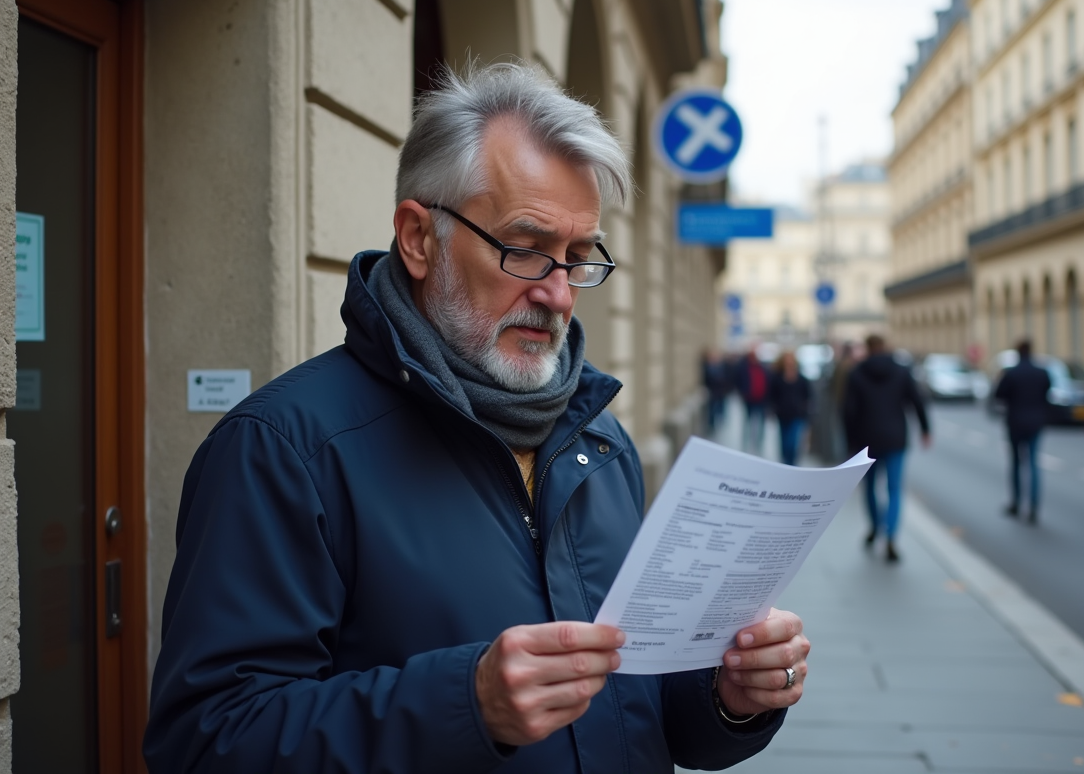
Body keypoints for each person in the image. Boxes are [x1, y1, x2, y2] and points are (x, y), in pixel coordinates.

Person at [143, 62, 807, 774]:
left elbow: (643, 711)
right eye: (525, 250)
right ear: (419, 239)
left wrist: (730, 694)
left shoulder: (600, 442)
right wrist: (467, 703)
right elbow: (206, 741)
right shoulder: (284, 449)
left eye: (578, 258)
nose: (558, 295)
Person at [842, 335, 930, 563]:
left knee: (870, 488)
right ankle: (891, 535)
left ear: (868, 349)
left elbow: (848, 411)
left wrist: (850, 442)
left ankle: (875, 526)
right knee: (894, 489)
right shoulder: (901, 371)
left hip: (866, 441)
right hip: (895, 438)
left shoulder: (857, 373)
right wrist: (925, 429)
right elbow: (916, 401)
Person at [993, 339, 1052, 524]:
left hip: (1016, 422)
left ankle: (1016, 503)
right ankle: (1034, 506)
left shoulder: (1011, 373)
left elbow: (999, 395)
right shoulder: (1041, 372)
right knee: (1033, 464)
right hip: (1035, 423)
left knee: (1016, 463)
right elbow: (1047, 392)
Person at [770, 352, 811, 466]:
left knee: (792, 442)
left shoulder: (801, 378)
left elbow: (807, 395)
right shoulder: (777, 377)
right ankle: (785, 461)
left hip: (797, 414)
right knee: (783, 440)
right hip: (782, 414)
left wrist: (805, 409)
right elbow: (772, 394)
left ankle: (792, 462)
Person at [737, 345, 770, 455]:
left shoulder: (763, 367)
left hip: (761, 399)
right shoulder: (743, 367)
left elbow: (768, 382)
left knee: (761, 422)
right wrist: (742, 393)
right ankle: (746, 443)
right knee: (748, 421)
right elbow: (738, 380)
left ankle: (759, 443)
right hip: (749, 399)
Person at [702, 347, 732, 434]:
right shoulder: (707, 366)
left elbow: (728, 377)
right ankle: (711, 425)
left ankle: (720, 419)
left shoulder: (722, 365)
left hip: (721, 391)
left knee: (721, 407)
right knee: (711, 410)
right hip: (712, 392)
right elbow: (706, 379)